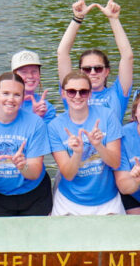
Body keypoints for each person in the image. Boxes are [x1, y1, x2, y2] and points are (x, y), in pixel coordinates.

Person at [0, 72, 53, 217]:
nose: (10, 99)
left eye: (17, 95)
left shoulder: (35, 123)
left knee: (37, 239)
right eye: (5, 93)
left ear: (23, 96)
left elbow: (34, 173)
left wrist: (22, 166)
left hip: (32, 192)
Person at [48, 70, 124, 215]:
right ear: (63, 94)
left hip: (107, 200)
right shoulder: (55, 126)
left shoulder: (107, 116)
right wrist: (77, 153)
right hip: (69, 201)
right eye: (71, 92)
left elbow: (115, 163)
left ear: (90, 94)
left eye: (83, 92)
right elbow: (68, 174)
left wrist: (98, 145)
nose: (77, 96)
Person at [56, 0, 135, 125]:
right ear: (80, 72)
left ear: (107, 71)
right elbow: (62, 53)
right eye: (87, 69)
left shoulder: (118, 93)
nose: (92, 73)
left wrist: (113, 19)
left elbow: (127, 56)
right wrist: (77, 18)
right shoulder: (72, 93)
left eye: (98, 68)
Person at [0, 50, 58, 124]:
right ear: (14, 74)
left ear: (39, 74)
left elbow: (43, 137)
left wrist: (37, 117)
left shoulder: (46, 108)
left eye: (34, 71)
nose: (30, 76)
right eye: (24, 72)